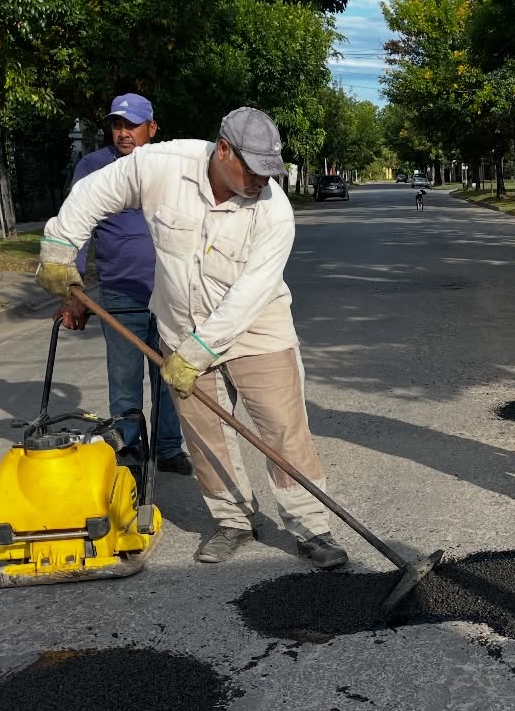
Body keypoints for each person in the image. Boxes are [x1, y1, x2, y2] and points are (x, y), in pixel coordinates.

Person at [35, 107, 349, 570]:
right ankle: (235, 521)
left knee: (283, 427)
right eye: (255, 168)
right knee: (205, 434)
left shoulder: (275, 211)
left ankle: (310, 528)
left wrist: (200, 352)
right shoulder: (159, 166)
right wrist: (60, 247)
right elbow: (94, 193)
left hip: (256, 326)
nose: (264, 180)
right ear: (224, 150)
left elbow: (250, 293)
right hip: (180, 324)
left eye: (270, 170)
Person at [54, 93, 192, 475]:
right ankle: (129, 448)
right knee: (125, 377)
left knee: (169, 375)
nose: (123, 133)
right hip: (120, 293)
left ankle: (168, 448)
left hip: (171, 293)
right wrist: (74, 291)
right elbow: (75, 229)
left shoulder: (167, 166)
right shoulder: (93, 167)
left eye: (132, 125)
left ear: (152, 128)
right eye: (117, 125)